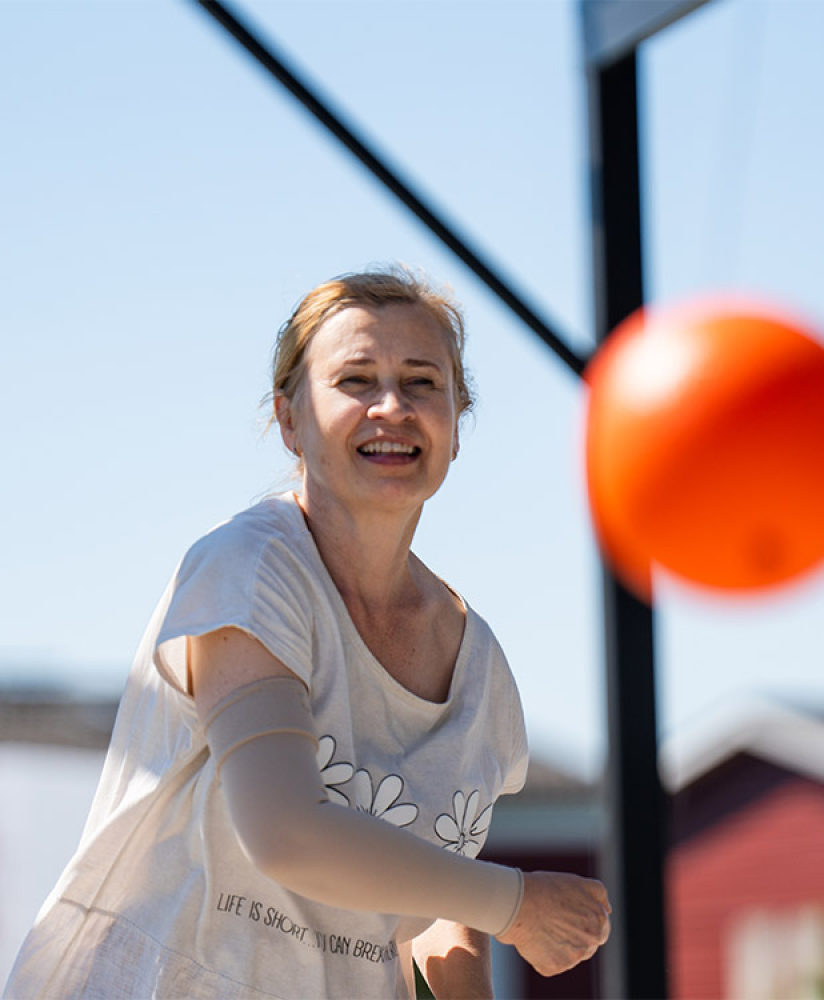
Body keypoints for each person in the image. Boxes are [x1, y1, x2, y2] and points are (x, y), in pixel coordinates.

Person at [3, 267, 611, 1000]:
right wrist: (517, 904)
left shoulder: (478, 667)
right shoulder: (251, 567)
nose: (392, 406)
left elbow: (440, 891)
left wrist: (482, 938)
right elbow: (286, 832)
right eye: (356, 380)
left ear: (458, 421)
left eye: (422, 382)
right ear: (290, 421)